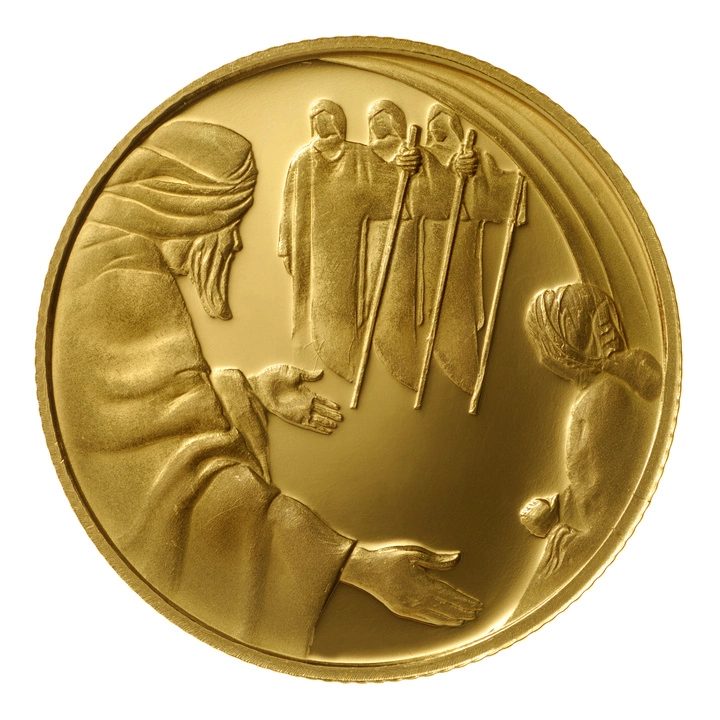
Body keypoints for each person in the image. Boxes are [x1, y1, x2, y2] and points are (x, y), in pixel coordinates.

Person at [53, 119, 482, 659]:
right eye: (229, 222)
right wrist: (357, 566)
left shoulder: (110, 267)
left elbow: (143, 425)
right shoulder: (121, 285)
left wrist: (248, 392)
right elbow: (185, 488)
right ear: (183, 211)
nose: (234, 242)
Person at [512, 283, 662, 619]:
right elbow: (596, 481)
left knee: (530, 605)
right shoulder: (598, 395)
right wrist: (556, 507)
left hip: (590, 548)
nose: (542, 352)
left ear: (565, 343)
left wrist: (565, 538)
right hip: (585, 538)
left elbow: (603, 504)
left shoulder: (602, 398)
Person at [279, 100, 399, 382]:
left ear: (338, 121)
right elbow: (289, 206)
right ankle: (315, 355)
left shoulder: (360, 156)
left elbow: (392, 188)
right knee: (314, 305)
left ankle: (347, 361)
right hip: (310, 248)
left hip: (351, 248)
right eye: (316, 118)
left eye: (326, 117)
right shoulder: (302, 160)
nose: (321, 123)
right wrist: (284, 244)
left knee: (349, 306)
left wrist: (407, 166)